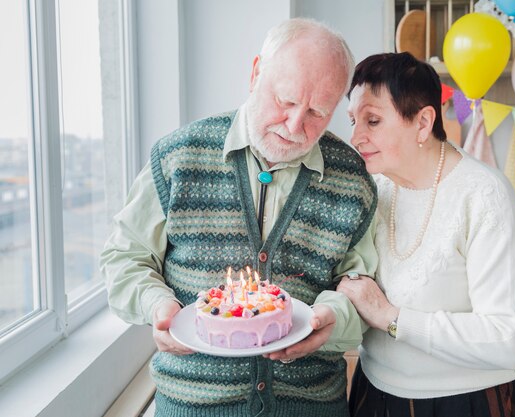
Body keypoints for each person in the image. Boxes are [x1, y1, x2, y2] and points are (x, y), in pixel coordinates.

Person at [100, 18, 378, 417]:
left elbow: (361, 284)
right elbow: (124, 258)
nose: (296, 125)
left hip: (310, 407)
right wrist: (157, 305)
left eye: (318, 111)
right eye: (285, 101)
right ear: (255, 73)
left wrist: (334, 317)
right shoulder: (179, 157)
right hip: (194, 405)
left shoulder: (352, 179)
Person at [337, 52, 515, 417]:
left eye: (373, 120)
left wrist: (392, 317)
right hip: (375, 395)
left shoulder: (483, 194)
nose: (355, 137)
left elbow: (509, 338)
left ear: (423, 122)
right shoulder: (374, 186)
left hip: (467, 402)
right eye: (353, 120)